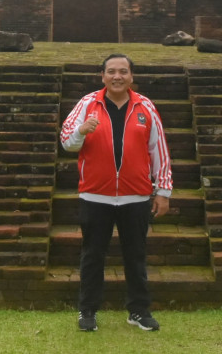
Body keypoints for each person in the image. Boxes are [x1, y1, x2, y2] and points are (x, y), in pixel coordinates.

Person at [59, 52, 172, 332]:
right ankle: (87, 311)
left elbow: (159, 151)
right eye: (111, 71)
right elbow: (66, 142)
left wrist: (163, 191)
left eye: (123, 71)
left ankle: (138, 311)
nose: (117, 76)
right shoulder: (88, 104)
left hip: (136, 196)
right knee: (92, 255)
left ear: (131, 76)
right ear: (103, 76)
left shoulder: (145, 106)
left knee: (135, 255)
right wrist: (81, 132)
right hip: (95, 196)